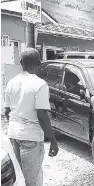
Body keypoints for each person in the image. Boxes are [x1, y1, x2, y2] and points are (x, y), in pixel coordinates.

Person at [4, 48, 59, 186]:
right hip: (31, 137)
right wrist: (53, 140)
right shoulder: (40, 84)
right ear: (39, 63)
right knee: (32, 180)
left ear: (21, 62)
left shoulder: (11, 82)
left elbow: (6, 111)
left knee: (19, 178)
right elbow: (41, 115)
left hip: (13, 134)